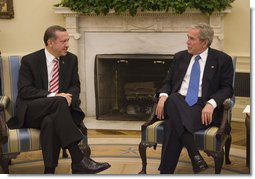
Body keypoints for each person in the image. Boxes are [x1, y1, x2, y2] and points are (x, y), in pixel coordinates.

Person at [7, 25, 111, 174]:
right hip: (32, 111)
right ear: (50, 43)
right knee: (58, 102)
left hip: (58, 111)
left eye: (67, 40)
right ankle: (78, 158)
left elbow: (75, 86)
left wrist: (68, 98)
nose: (67, 44)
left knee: (50, 121)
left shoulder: (71, 59)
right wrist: (55, 96)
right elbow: (25, 91)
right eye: (63, 41)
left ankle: (49, 172)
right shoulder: (30, 60)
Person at [155, 23, 234, 174]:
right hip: (176, 102)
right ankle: (195, 156)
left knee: (173, 124)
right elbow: (167, 82)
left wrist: (211, 103)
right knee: (172, 99)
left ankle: (165, 173)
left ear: (204, 42)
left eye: (192, 39)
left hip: (201, 106)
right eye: (188, 38)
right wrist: (163, 96)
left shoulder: (222, 60)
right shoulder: (180, 57)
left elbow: (227, 88)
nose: (187, 42)